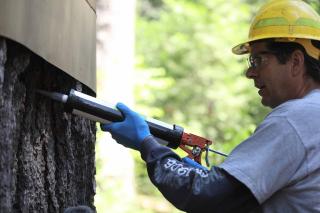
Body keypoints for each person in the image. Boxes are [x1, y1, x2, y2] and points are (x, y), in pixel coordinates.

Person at [101, 0, 320, 212]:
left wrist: (146, 144)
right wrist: (221, 180)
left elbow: (205, 196)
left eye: (258, 61)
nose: (250, 73)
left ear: (296, 62)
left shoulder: (293, 120)